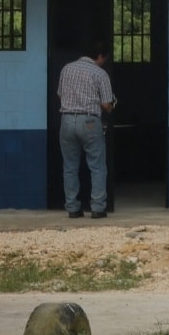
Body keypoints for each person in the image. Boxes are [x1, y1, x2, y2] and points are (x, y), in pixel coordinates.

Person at [57, 44, 116, 219]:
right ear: (99, 56)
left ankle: (73, 208)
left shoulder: (66, 69)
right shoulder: (100, 73)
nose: (103, 62)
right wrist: (110, 104)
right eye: (104, 59)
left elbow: (60, 94)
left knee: (70, 167)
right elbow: (106, 105)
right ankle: (98, 208)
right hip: (89, 121)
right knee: (97, 166)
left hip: (67, 119)